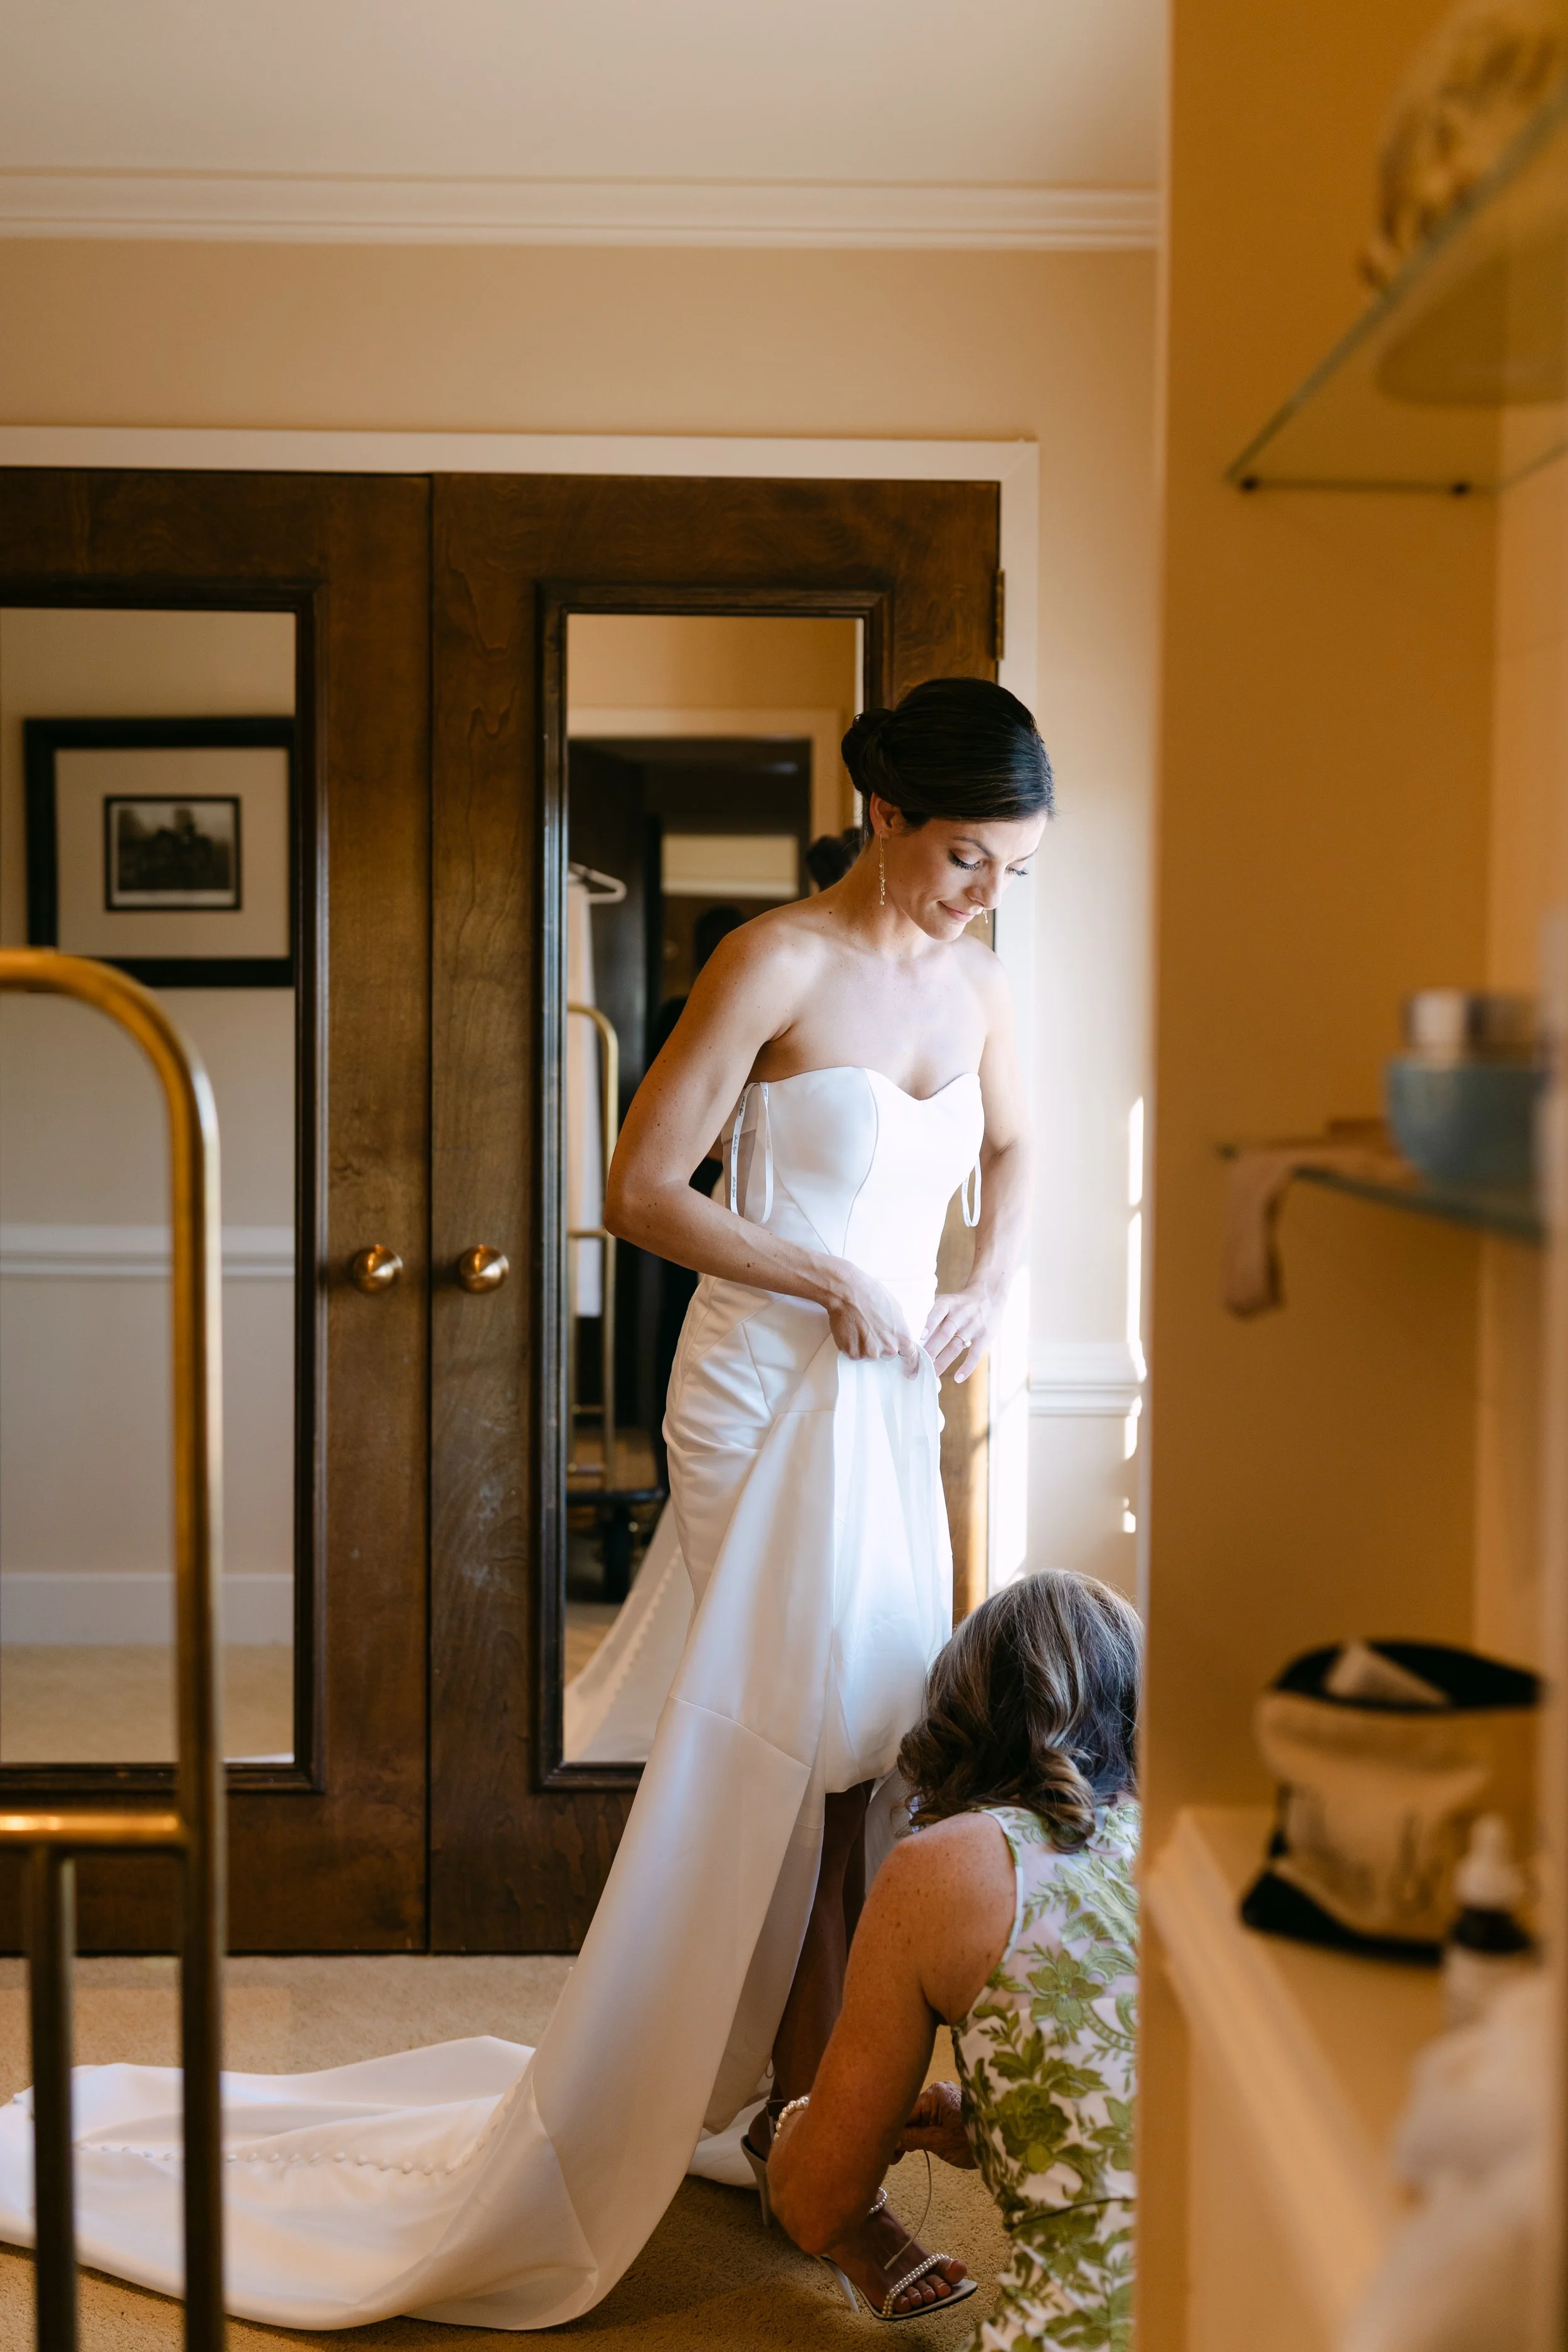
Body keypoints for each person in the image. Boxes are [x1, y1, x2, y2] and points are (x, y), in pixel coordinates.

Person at [0, 677, 1051, 2330]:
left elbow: (1014, 1152)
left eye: (1010, 869)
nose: (984, 892)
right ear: (888, 818)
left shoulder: (979, 981)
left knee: (874, 1770)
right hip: (762, 1387)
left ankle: (805, 2131)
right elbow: (638, 1189)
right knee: (799, 1762)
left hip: (891, 1390)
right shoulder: (775, 958)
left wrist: (983, 1282)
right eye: (968, 858)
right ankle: (818, 2169)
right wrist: (818, 1265)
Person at [766, 1571, 1140, 2337]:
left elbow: (819, 2206)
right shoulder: (1212, 1845)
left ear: (963, 1713)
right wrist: (1001, 2119)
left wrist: (792, 2140)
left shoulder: (945, 1866)